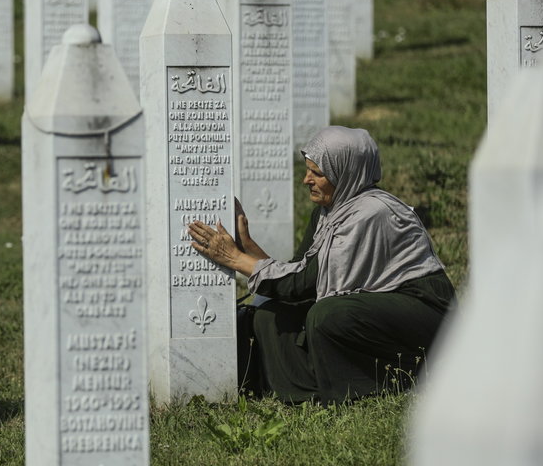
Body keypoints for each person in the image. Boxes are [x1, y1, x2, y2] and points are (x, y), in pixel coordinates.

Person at [188, 126, 456, 404]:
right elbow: (298, 273)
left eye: (317, 173)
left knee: (327, 315)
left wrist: (235, 258)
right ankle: (303, 392)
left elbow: (306, 283)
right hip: (376, 305)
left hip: (422, 314)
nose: (306, 180)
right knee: (270, 313)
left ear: (344, 172)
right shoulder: (329, 212)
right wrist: (247, 246)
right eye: (308, 170)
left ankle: (392, 380)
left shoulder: (371, 214)